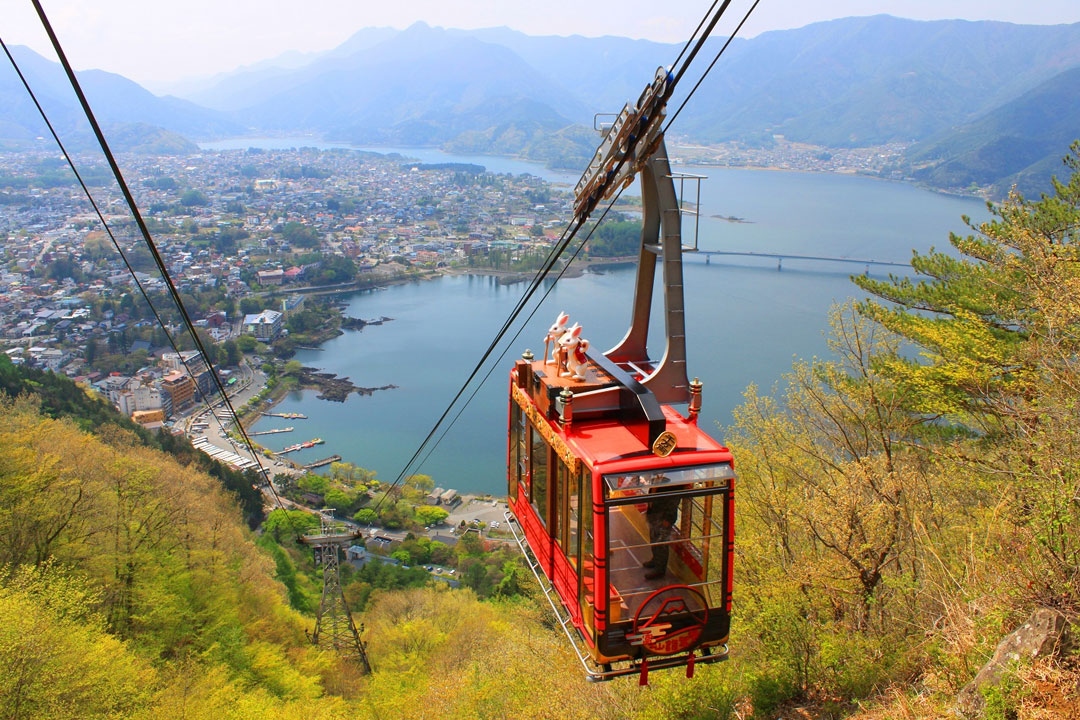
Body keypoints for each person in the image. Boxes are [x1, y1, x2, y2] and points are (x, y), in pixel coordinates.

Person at [643, 477, 680, 580]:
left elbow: (674, 501)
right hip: (655, 511)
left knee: (661, 541)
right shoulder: (660, 478)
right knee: (654, 536)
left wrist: (668, 518)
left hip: (663, 515)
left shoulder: (673, 482)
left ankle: (660, 569)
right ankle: (655, 560)